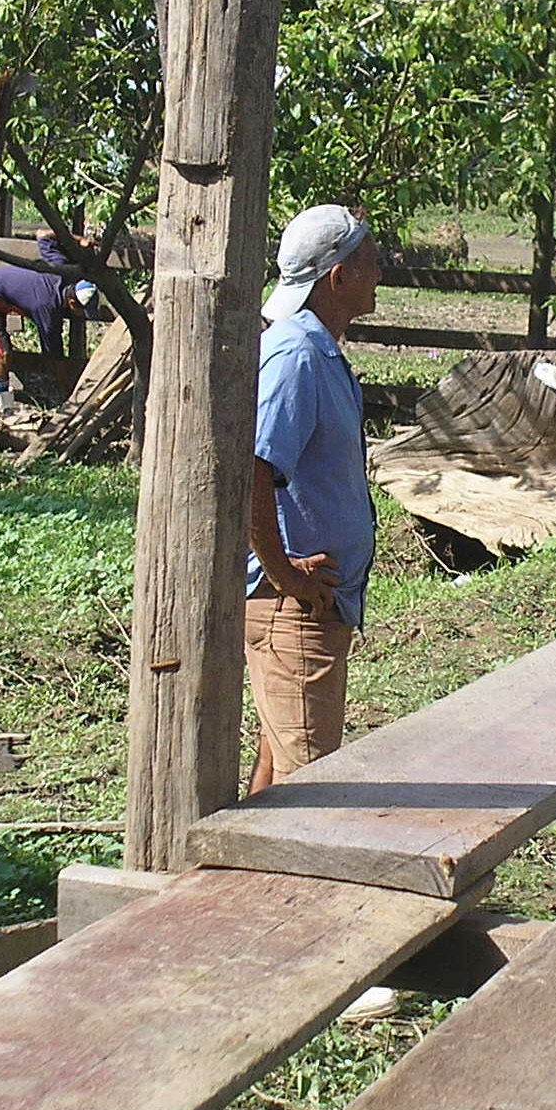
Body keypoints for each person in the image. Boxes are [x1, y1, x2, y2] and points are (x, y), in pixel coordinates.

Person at [245, 203, 382, 797]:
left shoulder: (317, 348)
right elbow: (253, 468)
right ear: (338, 276)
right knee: (309, 791)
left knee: (279, 770)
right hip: (294, 611)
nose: (379, 274)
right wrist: (284, 573)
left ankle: (229, 888)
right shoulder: (297, 355)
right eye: (370, 262)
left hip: (309, 610)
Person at [0, 233, 96, 409]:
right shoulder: (47, 308)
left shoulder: (62, 268)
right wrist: (69, 393)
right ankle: (2, 404)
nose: (82, 316)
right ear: (72, 303)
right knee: (2, 353)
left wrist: (78, 240)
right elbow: (54, 357)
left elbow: (43, 236)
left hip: (5, 289)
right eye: (82, 311)